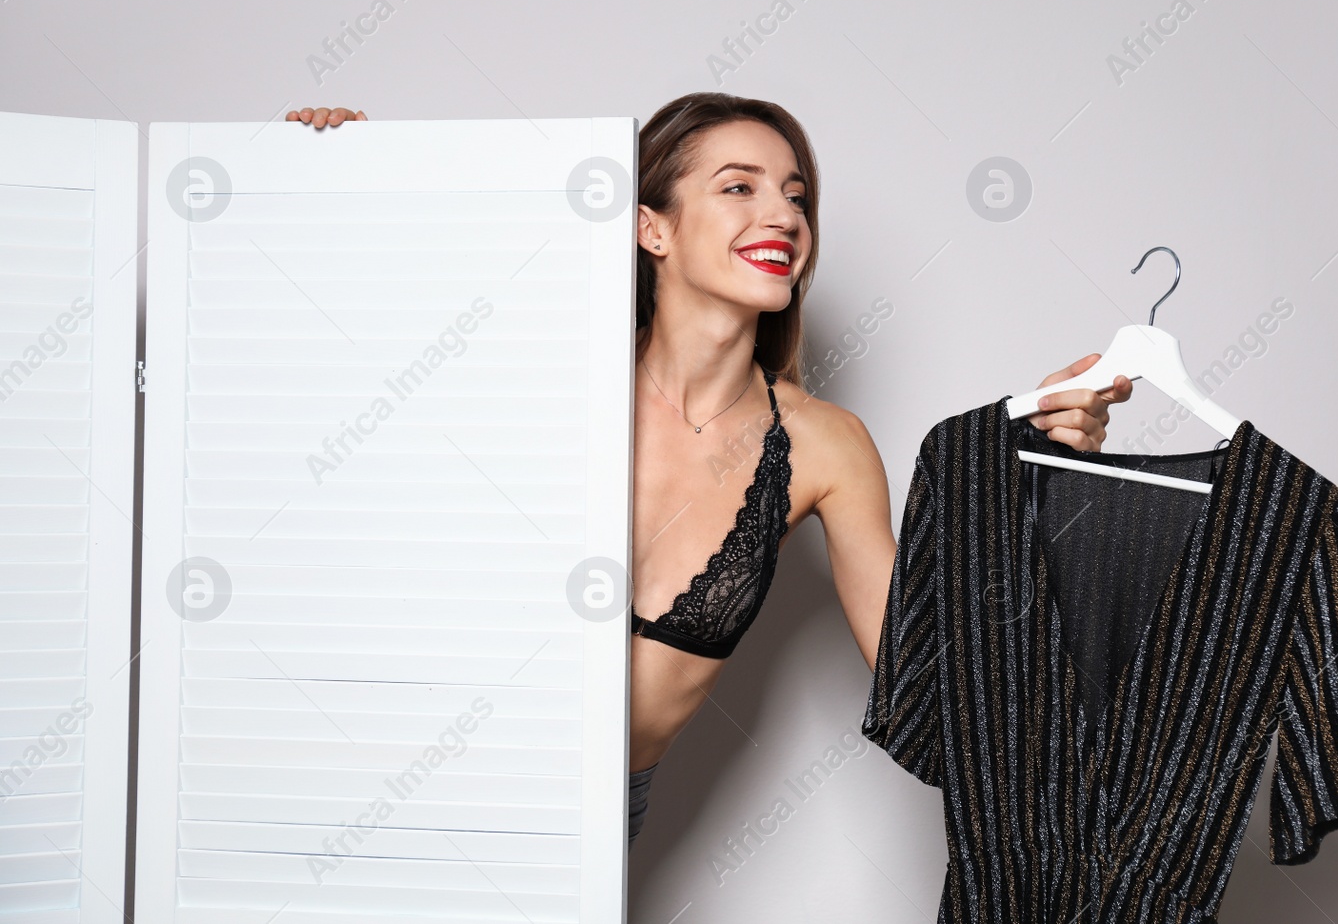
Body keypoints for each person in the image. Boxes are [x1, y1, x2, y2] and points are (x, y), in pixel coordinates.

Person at [287, 96, 1134, 844]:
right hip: (413, 780)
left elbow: (933, 695)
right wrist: (338, 182)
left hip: (591, 819)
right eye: (740, 187)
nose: (784, 216)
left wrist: (1034, 473)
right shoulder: (541, 373)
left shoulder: (824, 444)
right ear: (650, 225)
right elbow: (346, 403)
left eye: (796, 197)